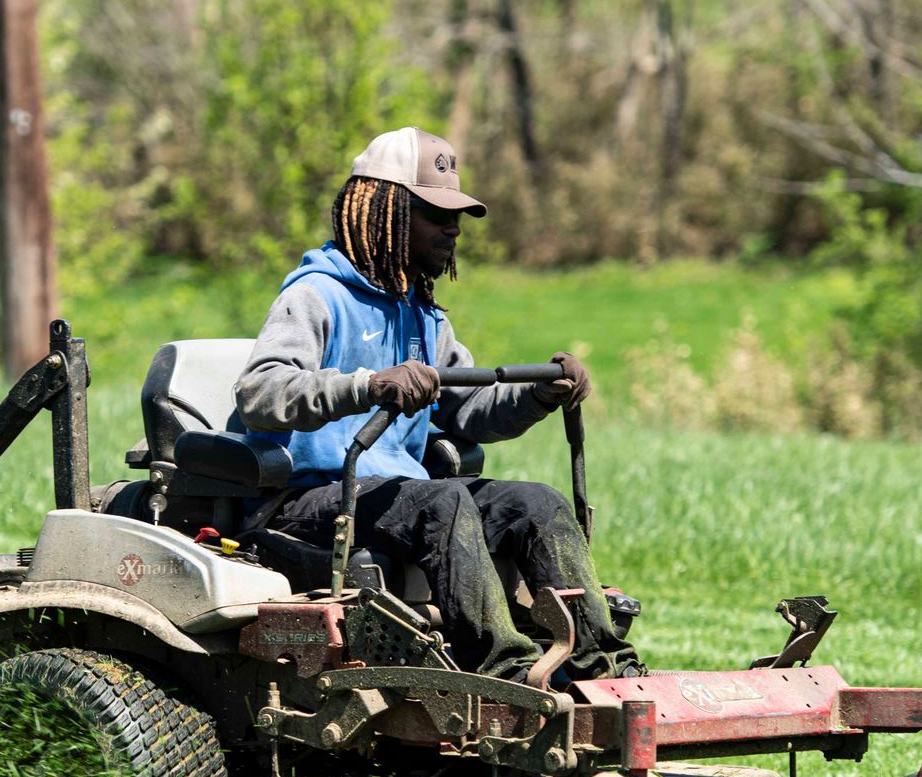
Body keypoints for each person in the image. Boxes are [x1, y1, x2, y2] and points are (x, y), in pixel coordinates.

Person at [233, 127, 641, 684]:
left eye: (457, 216)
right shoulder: (314, 295)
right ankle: (509, 672)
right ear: (386, 211)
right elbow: (260, 393)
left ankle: (603, 666)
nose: (452, 228)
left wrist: (539, 395)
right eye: (434, 213)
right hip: (307, 501)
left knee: (535, 503)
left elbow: (468, 411)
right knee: (443, 502)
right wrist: (368, 385)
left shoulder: (424, 316)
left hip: (402, 497)